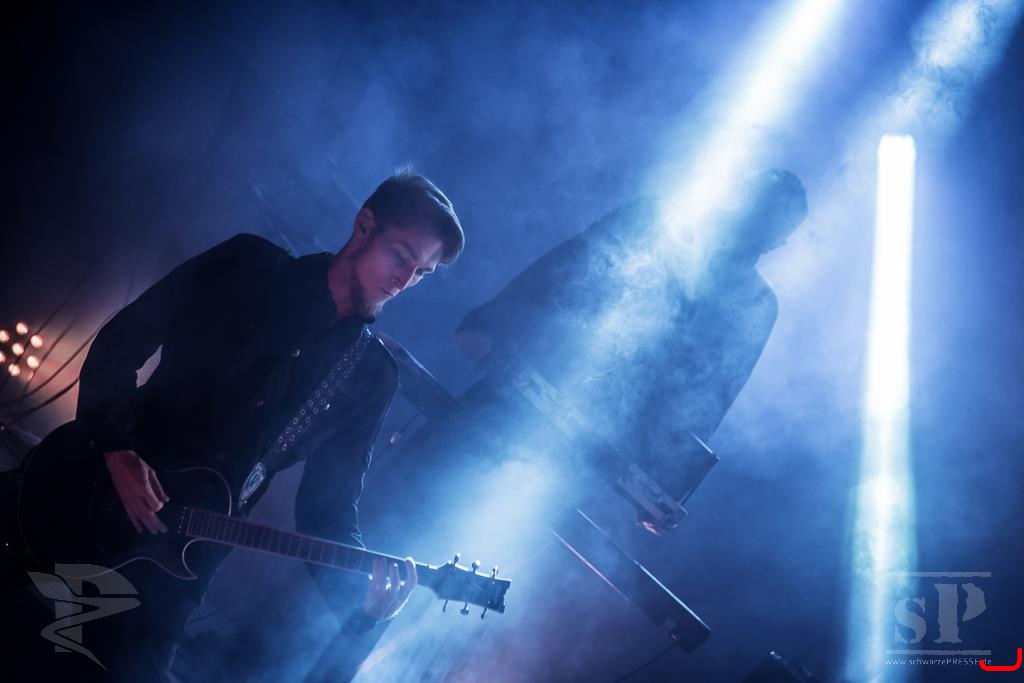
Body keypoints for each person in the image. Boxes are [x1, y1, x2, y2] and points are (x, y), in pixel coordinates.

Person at [10, 170, 464, 682]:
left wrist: (363, 605)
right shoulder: (247, 265)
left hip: (180, 561)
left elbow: (327, 510)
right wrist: (115, 450)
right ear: (364, 225)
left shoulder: (371, 375)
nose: (404, 281)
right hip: (84, 485)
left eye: (421, 273)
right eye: (401, 256)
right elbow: (120, 344)